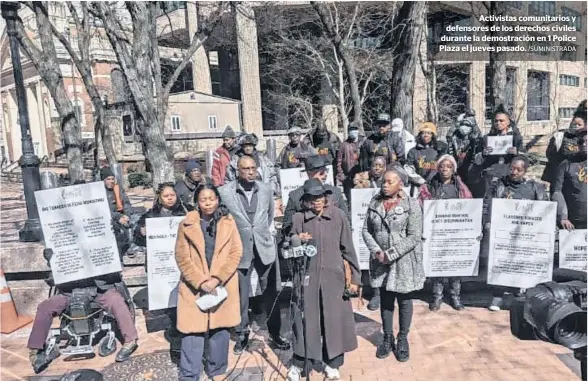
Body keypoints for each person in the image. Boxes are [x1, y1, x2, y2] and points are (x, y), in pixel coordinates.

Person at [286, 178, 361, 381]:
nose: (317, 202)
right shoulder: (298, 219)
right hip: (307, 278)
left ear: (326, 197)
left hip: (333, 278)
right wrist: (295, 240)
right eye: (312, 198)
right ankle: (300, 363)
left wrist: (355, 277)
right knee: (305, 321)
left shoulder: (338, 217)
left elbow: (348, 248)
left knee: (333, 319)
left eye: (320, 197)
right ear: (306, 200)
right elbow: (288, 249)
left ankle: (333, 363)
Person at [219, 155, 290, 354]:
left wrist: (262, 234)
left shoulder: (266, 190)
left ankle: (275, 332)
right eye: (245, 169)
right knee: (240, 296)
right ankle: (242, 333)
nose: (250, 172)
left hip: (264, 248)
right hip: (239, 250)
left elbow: (267, 217)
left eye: (253, 168)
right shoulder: (225, 192)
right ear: (236, 171)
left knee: (271, 292)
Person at [174, 184, 243, 381]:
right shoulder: (186, 225)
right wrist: (201, 281)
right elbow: (182, 257)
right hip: (194, 287)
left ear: (218, 200)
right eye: (203, 199)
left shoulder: (229, 222)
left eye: (211, 199)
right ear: (197, 201)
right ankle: (189, 374)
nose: (207, 203)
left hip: (222, 284)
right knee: (192, 332)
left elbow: (235, 252)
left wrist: (217, 278)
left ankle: (217, 370)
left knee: (220, 330)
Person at [28, 250, 138, 372]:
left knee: (116, 301)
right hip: (70, 291)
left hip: (99, 290)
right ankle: (35, 348)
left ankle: (130, 340)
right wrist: (51, 258)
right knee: (45, 307)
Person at [362, 166, 425, 362]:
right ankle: (387, 338)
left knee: (404, 300)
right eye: (383, 181)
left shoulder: (411, 204)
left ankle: (403, 338)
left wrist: (391, 253)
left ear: (401, 184)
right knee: (386, 300)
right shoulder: (375, 202)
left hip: (403, 261)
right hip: (381, 261)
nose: (385, 185)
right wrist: (377, 251)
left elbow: (414, 236)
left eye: (390, 182)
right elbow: (366, 230)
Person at [483, 156, 548, 311]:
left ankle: (519, 295)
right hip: (503, 232)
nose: (514, 172)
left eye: (519, 169)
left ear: (525, 171)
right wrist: (487, 220)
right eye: (512, 168)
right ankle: (498, 296)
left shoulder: (534, 188)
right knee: (500, 263)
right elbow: (487, 204)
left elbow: (544, 209)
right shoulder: (498, 185)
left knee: (521, 262)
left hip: (525, 233)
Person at [417, 155, 473, 311]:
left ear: (453, 169)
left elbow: (470, 208)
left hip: (455, 233)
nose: (445, 169)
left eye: (448, 166)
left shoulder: (460, 188)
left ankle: (455, 295)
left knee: (455, 266)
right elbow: (420, 206)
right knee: (438, 265)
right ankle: (437, 296)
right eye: (442, 166)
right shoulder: (429, 186)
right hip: (436, 233)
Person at [282, 155, 349, 238]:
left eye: (326, 171)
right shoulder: (295, 196)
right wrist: (297, 236)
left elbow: (347, 220)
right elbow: (286, 226)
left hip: (332, 241)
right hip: (308, 243)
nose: (325, 175)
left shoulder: (335, 193)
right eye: (321, 172)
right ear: (309, 173)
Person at [470, 105, 524, 198]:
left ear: (508, 122)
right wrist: (483, 154)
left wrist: (517, 153)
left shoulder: (516, 138)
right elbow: (476, 161)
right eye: (496, 121)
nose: (498, 123)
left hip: (508, 175)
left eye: (501, 120)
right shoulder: (486, 138)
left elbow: (525, 159)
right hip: (490, 176)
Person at [541, 108, 586, 193]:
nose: (575, 127)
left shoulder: (584, 140)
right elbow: (549, 154)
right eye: (574, 124)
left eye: (579, 125)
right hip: (558, 176)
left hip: (576, 177)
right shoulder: (560, 137)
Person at [135, 183, 193, 247]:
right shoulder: (151, 216)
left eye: (172, 195)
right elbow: (137, 238)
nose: (170, 198)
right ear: (160, 198)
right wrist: (141, 231)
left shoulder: (187, 211)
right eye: (166, 196)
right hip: (161, 251)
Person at [552, 130, 587, 230]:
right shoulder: (566, 164)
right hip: (573, 223)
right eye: (581, 142)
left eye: (587, 141)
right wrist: (563, 216)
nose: (584, 144)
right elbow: (557, 191)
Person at [101, 166, 134, 256]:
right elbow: (102, 210)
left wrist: (127, 215)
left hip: (121, 217)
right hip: (108, 219)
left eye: (112, 179)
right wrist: (118, 217)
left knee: (133, 223)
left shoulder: (118, 189)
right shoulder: (100, 192)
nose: (111, 181)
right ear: (103, 180)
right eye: (108, 179)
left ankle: (129, 248)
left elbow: (126, 203)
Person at [446, 111, 483, 189]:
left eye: (467, 125)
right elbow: (449, 136)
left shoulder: (474, 137)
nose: (464, 127)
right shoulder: (455, 137)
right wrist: (456, 122)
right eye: (463, 124)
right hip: (457, 169)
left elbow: (478, 138)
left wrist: (474, 123)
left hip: (470, 169)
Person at [336, 122, 364, 201]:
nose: (353, 131)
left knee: (361, 200)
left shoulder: (364, 142)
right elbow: (338, 162)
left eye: (354, 129)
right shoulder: (343, 145)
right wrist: (341, 175)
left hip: (361, 177)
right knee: (350, 199)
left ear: (358, 130)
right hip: (348, 177)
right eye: (351, 129)